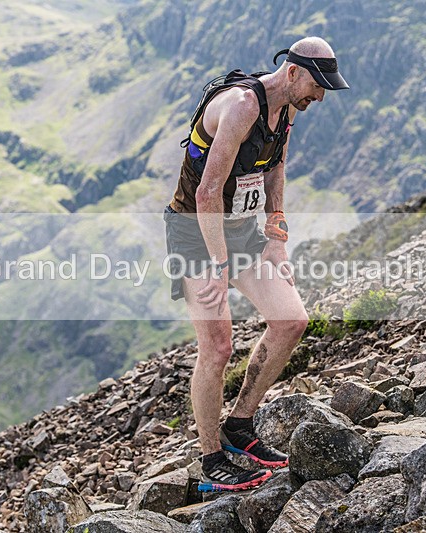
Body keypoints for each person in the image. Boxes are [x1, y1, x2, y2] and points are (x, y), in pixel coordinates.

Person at [163, 36, 349, 492]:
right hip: (196, 232)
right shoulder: (242, 106)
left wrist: (277, 237)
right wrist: (220, 263)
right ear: (292, 71)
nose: (319, 96)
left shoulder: (286, 110)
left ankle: (240, 427)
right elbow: (207, 193)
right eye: (317, 85)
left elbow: (275, 170)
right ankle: (211, 462)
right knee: (218, 346)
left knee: (291, 320)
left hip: (242, 230)